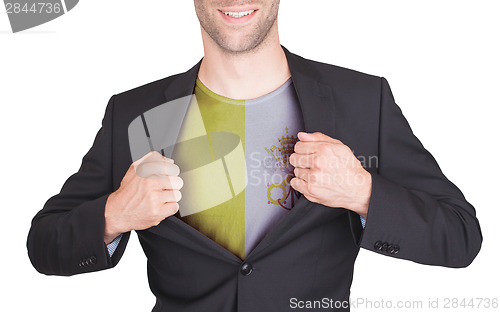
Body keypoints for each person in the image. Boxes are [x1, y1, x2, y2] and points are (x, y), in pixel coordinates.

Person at [27, 1, 482, 311]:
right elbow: (44, 245)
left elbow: (460, 236)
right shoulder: (135, 113)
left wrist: (363, 192)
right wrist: (114, 214)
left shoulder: (362, 101)